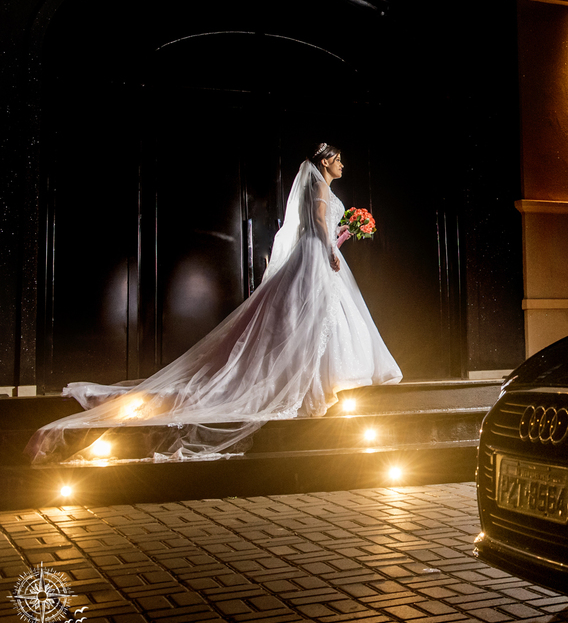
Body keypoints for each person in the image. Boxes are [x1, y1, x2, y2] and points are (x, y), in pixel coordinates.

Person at [26, 143, 403, 464]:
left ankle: (316, 378)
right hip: (316, 254)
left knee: (310, 316)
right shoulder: (319, 186)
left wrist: (339, 237)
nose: (342, 165)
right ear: (324, 162)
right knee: (313, 316)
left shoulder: (315, 184)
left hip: (313, 252)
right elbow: (318, 222)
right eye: (337, 160)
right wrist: (330, 250)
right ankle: (312, 382)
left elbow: (315, 224)